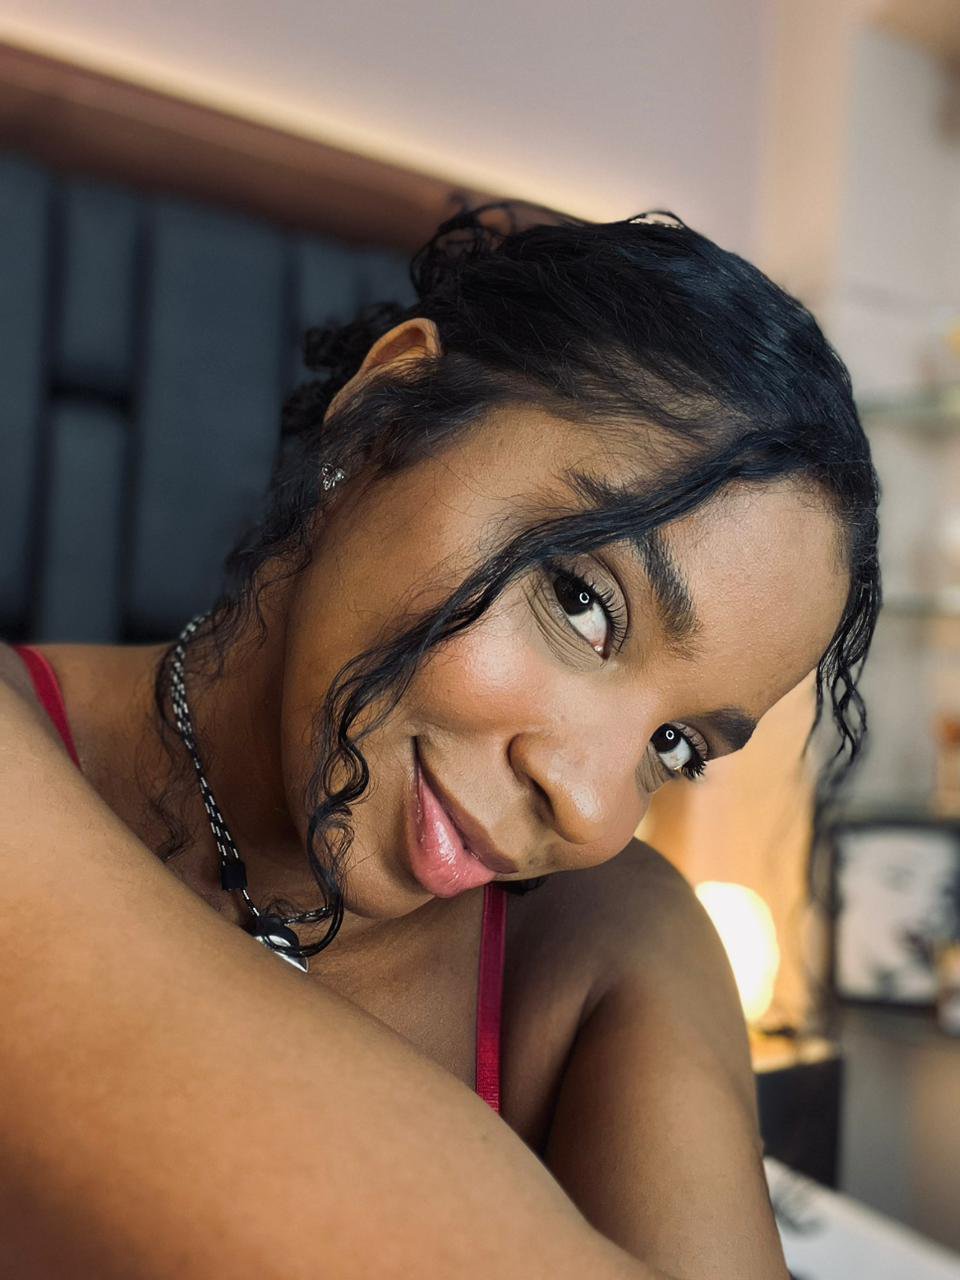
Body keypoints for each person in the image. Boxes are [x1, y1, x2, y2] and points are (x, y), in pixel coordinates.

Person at [0, 203, 880, 1279]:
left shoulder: (608, 941)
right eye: (582, 603)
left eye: (676, 745)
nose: (592, 806)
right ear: (383, 420)